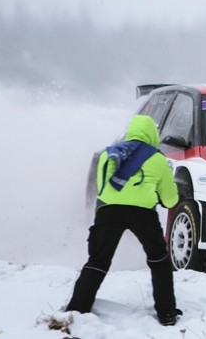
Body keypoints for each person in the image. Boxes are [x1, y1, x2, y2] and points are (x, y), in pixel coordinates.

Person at [65, 115, 182, 326]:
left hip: (108, 212)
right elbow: (170, 199)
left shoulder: (108, 154)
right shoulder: (157, 159)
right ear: (153, 135)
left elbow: (100, 188)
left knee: (98, 261)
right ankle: (167, 313)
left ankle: (77, 310)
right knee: (158, 261)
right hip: (143, 213)